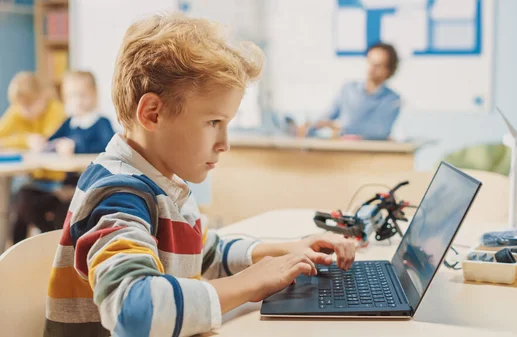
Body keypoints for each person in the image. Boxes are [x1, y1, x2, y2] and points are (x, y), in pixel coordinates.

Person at [44, 13, 356, 337]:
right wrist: (248, 283)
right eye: (213, 123)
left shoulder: (163, 182)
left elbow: (206, 254)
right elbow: (134, 310)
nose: (224, 144)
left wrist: (286, 251)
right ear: (153, 113)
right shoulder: (117, 195)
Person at [10, 71, 115, 244]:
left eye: (83, 95)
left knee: (65, 212)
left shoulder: (101, 122)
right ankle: (37, 243)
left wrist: (77, 148)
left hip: (87, 190)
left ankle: (58, 246)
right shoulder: (69, 122)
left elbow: (108, 147)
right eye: (72, 96)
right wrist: (42, 144)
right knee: (23, 198)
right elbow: (51, 142)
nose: (78, 101)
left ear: (94, 95)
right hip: (64, 188)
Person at [302, 43, 401, 140]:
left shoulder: (392, 100)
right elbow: (327, 116)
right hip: (343, 150)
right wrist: (310, 127)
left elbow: (379, 132)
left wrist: (340, 127)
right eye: (370, 62)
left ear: (389, 70)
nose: (371, 68)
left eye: (378, 65)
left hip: (372, 152)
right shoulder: (348, 89)